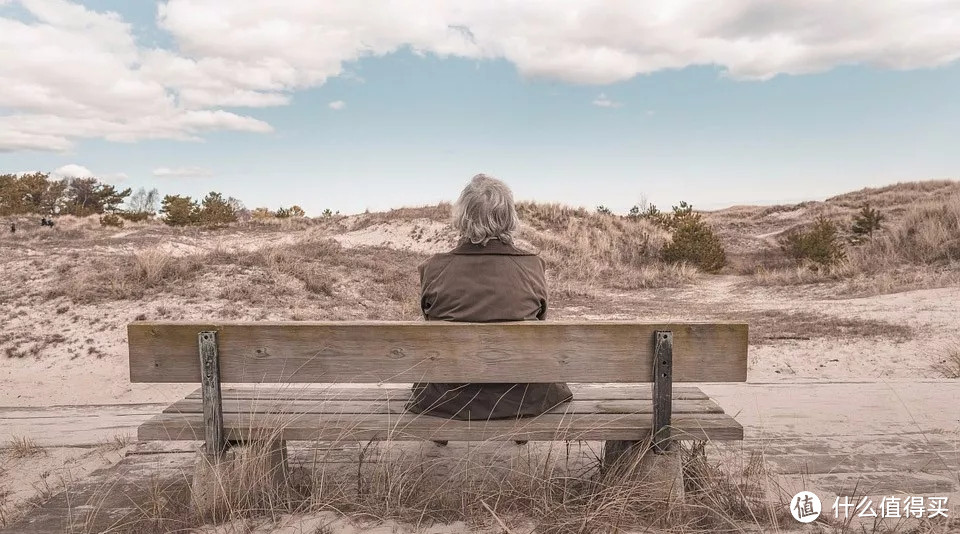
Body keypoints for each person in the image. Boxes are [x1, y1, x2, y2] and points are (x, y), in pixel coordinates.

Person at [406, 174, 573, 423]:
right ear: (508, 217)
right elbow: (539, 321)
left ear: (463, 217)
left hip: (450, 399)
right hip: (523, 396)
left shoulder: (434, 268)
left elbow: (430, 320)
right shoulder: (533, 267)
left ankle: (441, 435)